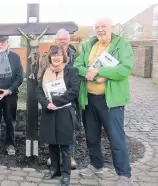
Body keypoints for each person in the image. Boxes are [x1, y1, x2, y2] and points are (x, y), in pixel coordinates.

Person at [73, 17, 133, 186]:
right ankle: (96, 164)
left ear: (111, 27)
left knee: (116, 138)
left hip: (111, 101)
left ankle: (124, 174)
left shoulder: (122, 45)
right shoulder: (88, 45)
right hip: (89, 98)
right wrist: (89, 73)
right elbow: (77, 66)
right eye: (97, 26)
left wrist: (100, 72)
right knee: (91, 135)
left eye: (104, 26)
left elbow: (125, 69)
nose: (100, 29)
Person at [36, 45, 80, 186]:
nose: (56, 57)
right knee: (52, 144)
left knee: (65, 146)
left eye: (59, 55)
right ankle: (55, 170)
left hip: (64, 112)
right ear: (50, 57)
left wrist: (55, 101)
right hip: (49, 111)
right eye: (53, 55)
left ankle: (66, 174)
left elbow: (74, 91)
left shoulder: (71, 71)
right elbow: (38, 91)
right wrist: (46, 104)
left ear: (64, 57)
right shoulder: (45, 72)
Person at [46, 29, 80, 169]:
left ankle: (70, 156)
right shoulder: (46, 56)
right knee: (53, 127)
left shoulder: (76, 56)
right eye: (59, 39)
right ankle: (53, 156)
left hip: (69, 100)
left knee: (69, 128)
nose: (62, 41)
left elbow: (77, 78)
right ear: (55, 41)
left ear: (69, 40)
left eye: (65, 39)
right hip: (51, 100)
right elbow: (41, 75)